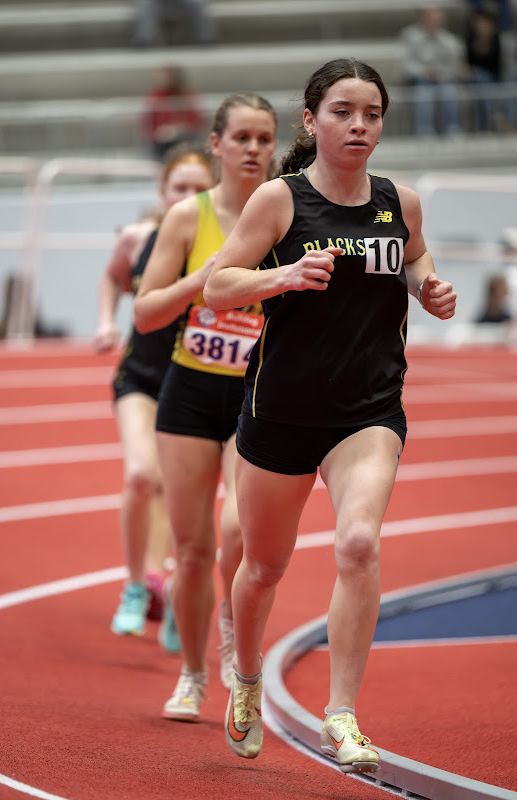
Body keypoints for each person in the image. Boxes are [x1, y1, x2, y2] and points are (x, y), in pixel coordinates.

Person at [204, 57, 457, 771]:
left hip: (368, 411)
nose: (359, 125)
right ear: (311, 121)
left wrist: (428, 285)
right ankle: (246, 677)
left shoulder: (400, 202)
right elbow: (218, 286)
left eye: (372, 114)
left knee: (358, 545)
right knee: (262, 568)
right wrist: (283, 275)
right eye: (343, 112)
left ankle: (341, 715)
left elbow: (415, 256)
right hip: (281, 411)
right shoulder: (278, 200)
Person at [133, 92, 278, 721]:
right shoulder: (188, 217)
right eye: (241, 137)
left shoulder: (286, 210)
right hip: (190, 392)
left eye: (264, 139)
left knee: (238, 534)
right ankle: (192, 675)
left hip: (257, 395)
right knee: (191, 550)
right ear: (216, 143)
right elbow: (145, 313)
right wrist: (203, 281)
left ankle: (231, 629)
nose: (253, 149)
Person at [93, 145, 216, 650]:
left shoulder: (224, 244)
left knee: (176, 492)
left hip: (193, 382)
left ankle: (171, 586)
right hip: (140, 378)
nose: (187, 196)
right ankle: (134, 586)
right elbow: (112, 276)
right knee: (142, 475)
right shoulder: (138, 237)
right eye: (179, 188)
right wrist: (106, 321)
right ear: (162, 192)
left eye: (198, 189)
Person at [399, 5, 463, 136]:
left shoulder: (449, 40)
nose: (434, 22)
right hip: (418, 79)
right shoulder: (410, 35)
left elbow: (454, 65)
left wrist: (441, 74)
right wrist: (425, 73)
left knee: (449, 93)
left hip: (443, 79)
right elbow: (406, 64)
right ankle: (424, 130)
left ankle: (452, 128)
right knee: (424, 94)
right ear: (422, 19)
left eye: (438, 19)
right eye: (431, 19)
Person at [139, 66, 207, 162]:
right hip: (162, 142)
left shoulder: (188, 96)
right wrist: (161, 132)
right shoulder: (155, 97)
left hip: (185, 138)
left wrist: (181, 129)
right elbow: (148, 124)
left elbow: (197, 121)